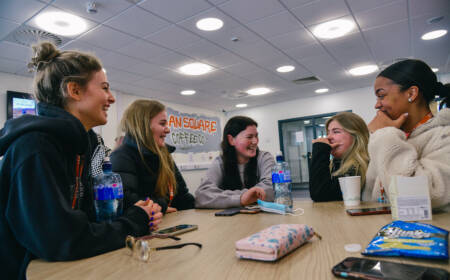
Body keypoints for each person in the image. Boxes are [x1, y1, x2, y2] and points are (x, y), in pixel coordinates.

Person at [0, 42, 162, 280]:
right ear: (74, 90)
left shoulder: (87, 145)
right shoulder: (35, 148)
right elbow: (62, 239)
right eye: (105, 88)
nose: (111, 98)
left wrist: (137, 211)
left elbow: (90, 218)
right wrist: (134, 222)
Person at [364, 59, 450, 208]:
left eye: (381, 95)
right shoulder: (394, 136)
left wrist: (384, 134)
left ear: (411, 93)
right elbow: (369, 196)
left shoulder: (444, 135)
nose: (376, 105)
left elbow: (419, 198)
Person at [110, 100, 195, 214]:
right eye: (162, 123)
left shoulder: (165, 155)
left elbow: (182, 195)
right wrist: (162, 206)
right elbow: (125, 199)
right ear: (143, 126)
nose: (168, 129)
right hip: (144, 227)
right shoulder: (122, 156)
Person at [195, 116, 275, 208]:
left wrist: (227, 198)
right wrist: (241, 198)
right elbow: (202, 196)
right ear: (231, 140)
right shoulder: (220, 162)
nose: (255, 141)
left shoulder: (264, 158)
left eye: (256, 136)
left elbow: (271, 189)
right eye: (249, 137)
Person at [309, 112, 370, 202]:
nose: (328, 137)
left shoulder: (358, 167)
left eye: (336, 131)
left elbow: (320, 195)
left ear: (356, 136)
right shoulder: (336, 164)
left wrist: (320, 150)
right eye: (328, 132)